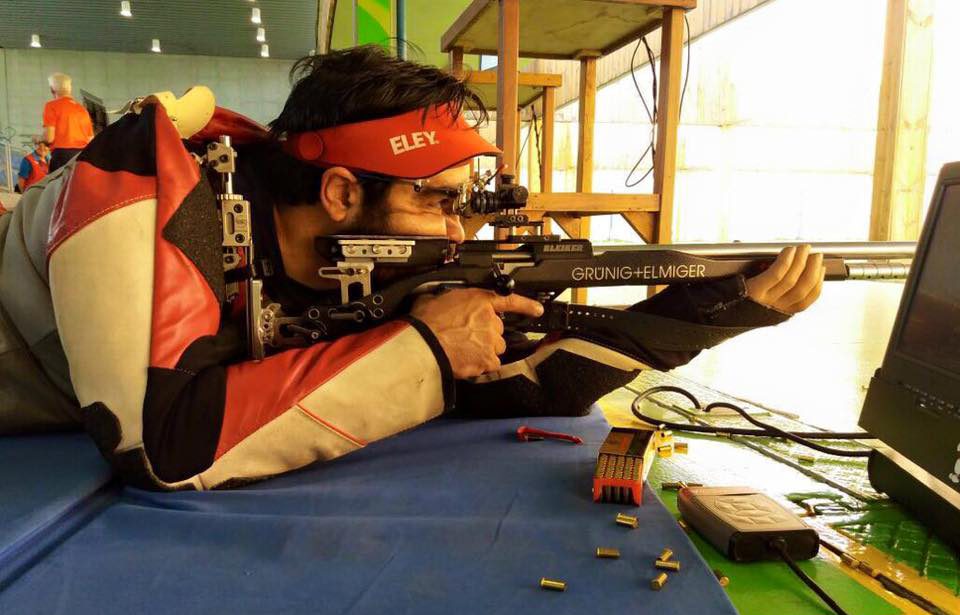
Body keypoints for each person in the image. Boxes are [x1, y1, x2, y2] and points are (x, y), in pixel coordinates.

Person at [0, 47, 824, 491]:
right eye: (439, 201)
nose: (459, 231)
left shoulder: (360, 267)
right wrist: (424, 348)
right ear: (341, 192)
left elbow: (523, 383)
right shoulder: (140, 191)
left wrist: (718, 307)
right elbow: (164, 446)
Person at [42, 72, 94, 172]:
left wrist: (38, 138)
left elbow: (49, 138)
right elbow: (91, 139)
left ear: (52, 89)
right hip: (82, 157)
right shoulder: (82, 109)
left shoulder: (51, 106)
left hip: (62, 156)